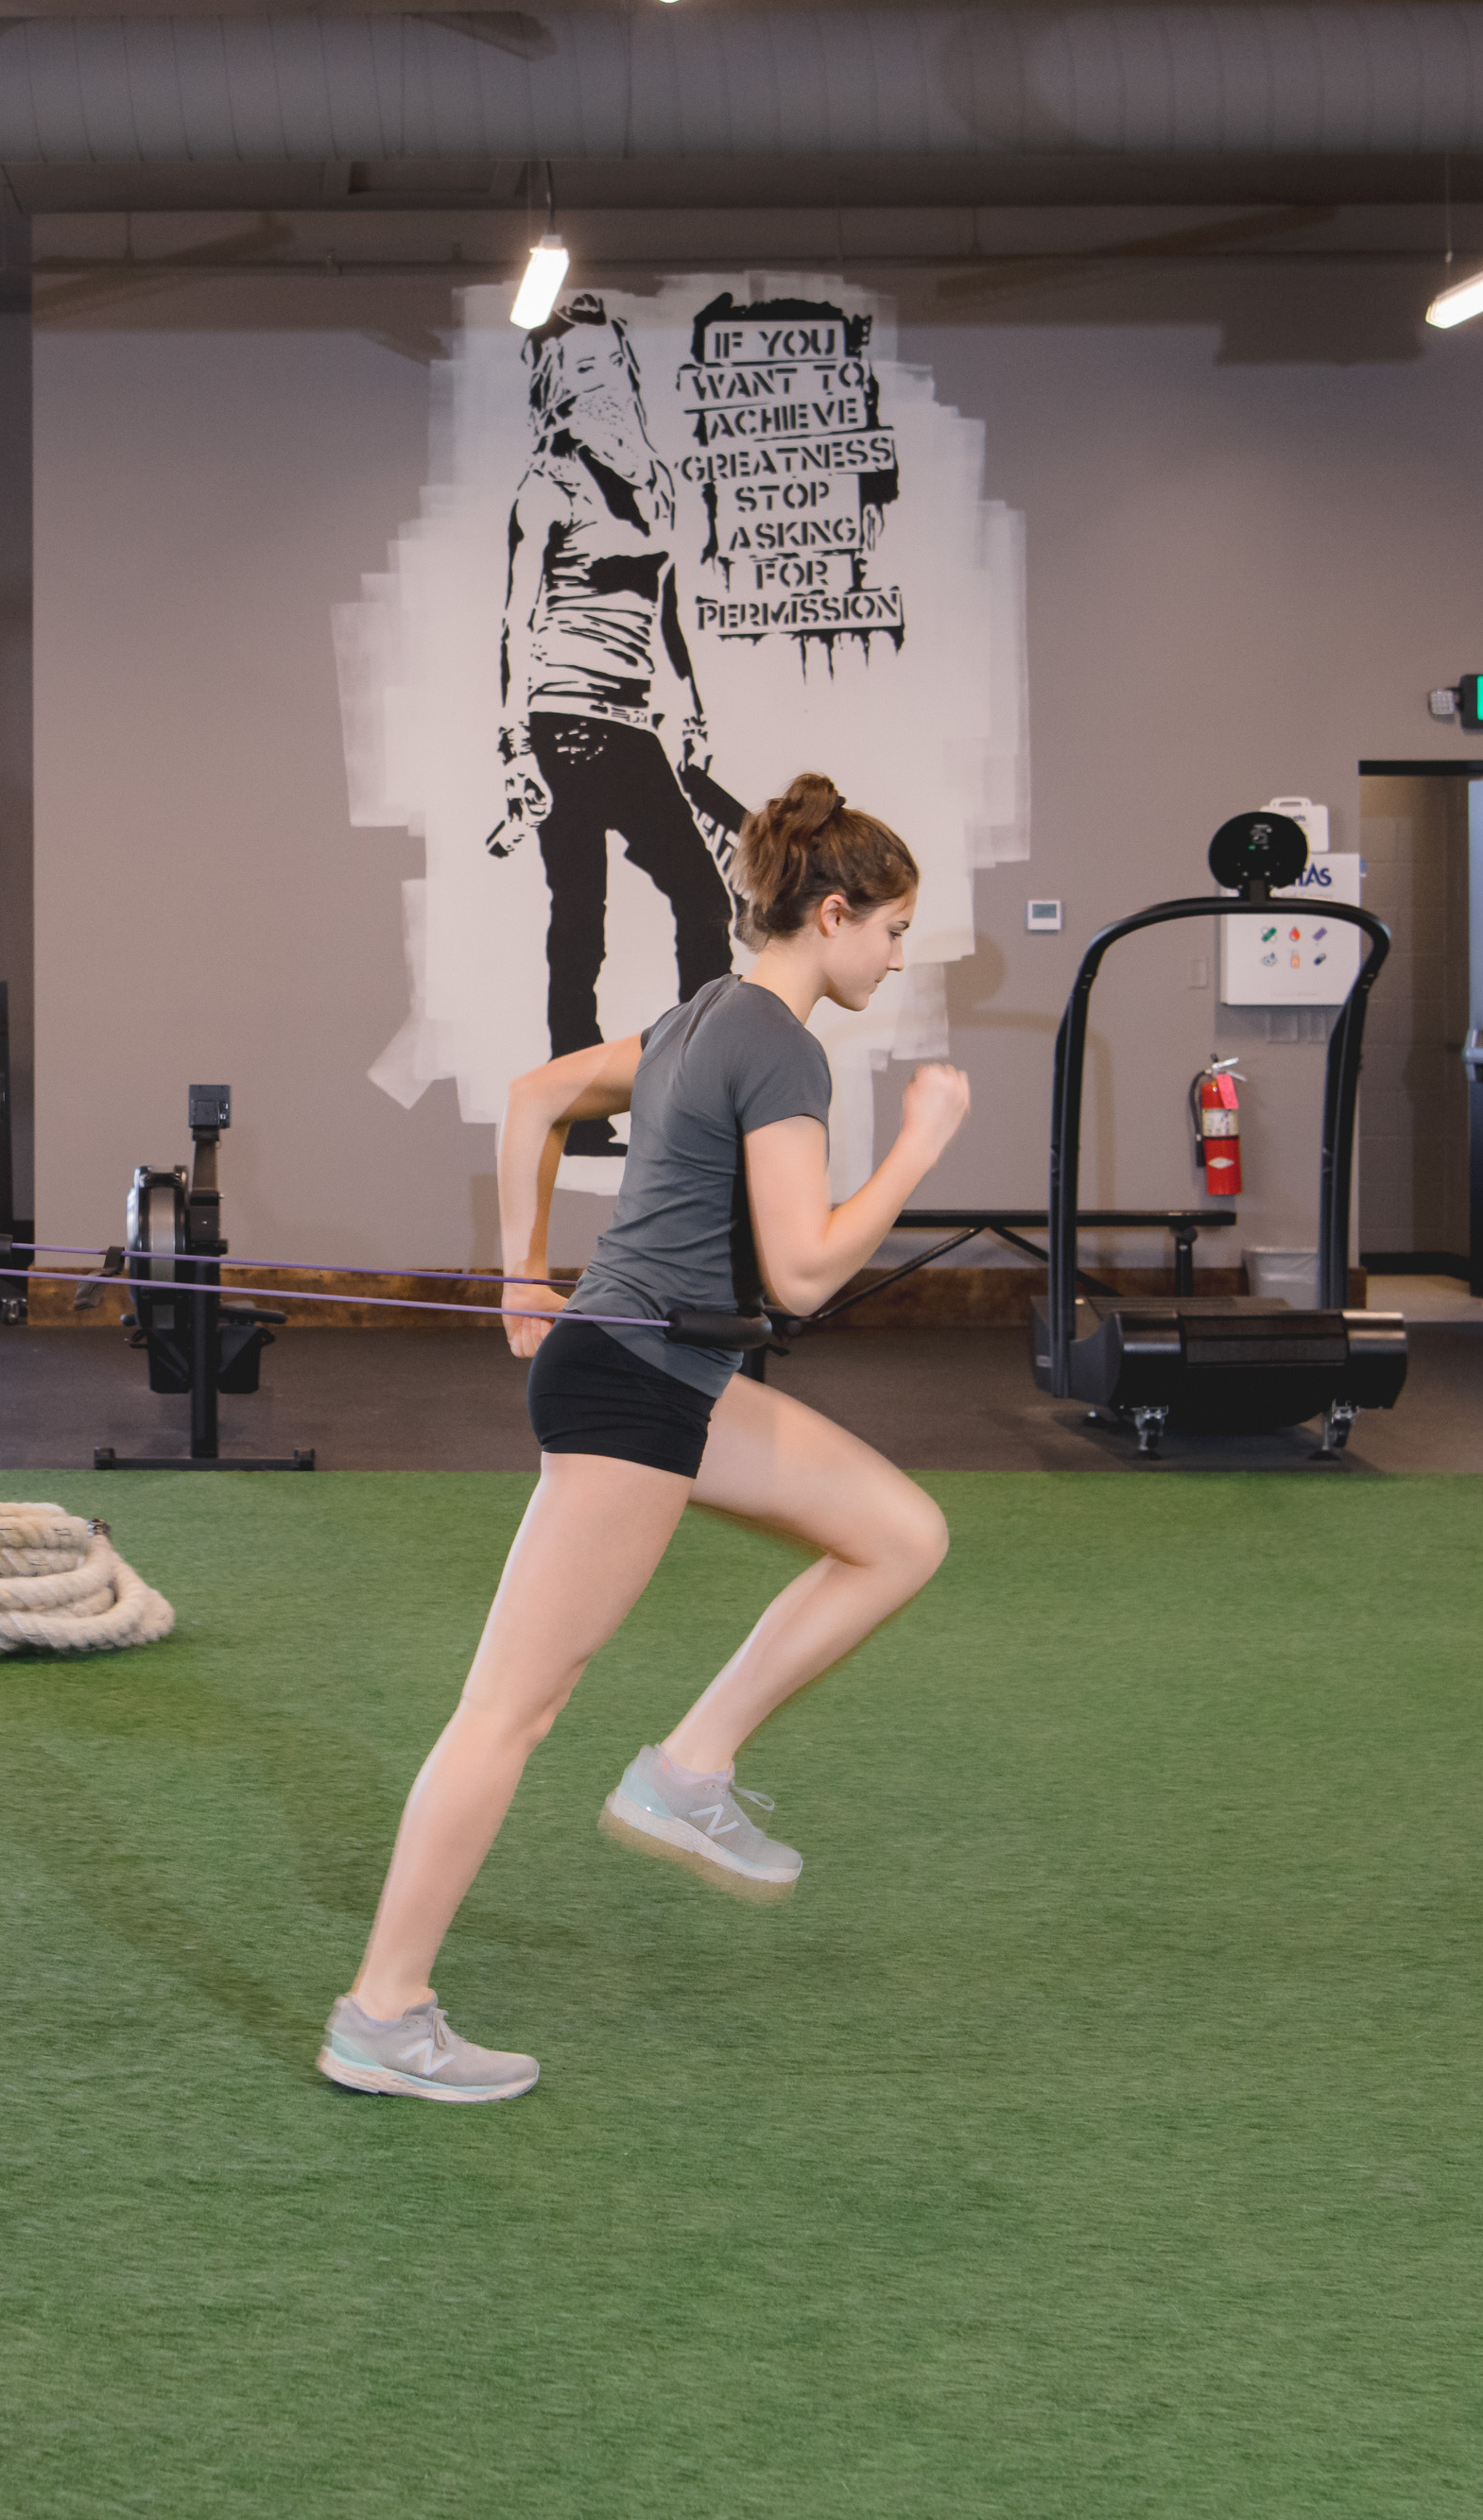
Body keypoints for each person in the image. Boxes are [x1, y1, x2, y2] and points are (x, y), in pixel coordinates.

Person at [320, 773, 964, 2103]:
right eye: (892, 929)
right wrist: (917, 1150)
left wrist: (521, 1267)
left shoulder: (698, 1018)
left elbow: (534, 1089)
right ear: (831, 912)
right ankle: (382, 2011)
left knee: (899, 1532)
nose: (898, 957)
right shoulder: (777, 1043)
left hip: (661, 1372)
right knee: (511, 1708)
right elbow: (800, 1273)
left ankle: (688, 1766)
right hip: (633, 1388)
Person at [488, 292, 737, 1134]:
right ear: (556, 384)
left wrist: (691, 707)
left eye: (608, 366)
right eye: (579, 369)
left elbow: (668, 615)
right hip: (563, 723)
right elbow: (517, 622)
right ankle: (578, 1101)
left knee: (706, 903)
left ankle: (690, 1087)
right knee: (580, 917)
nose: (599, 385)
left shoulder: (657, 485)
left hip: (630, 726)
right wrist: (514, 748)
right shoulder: (547, 484)